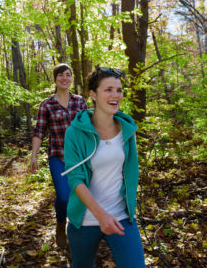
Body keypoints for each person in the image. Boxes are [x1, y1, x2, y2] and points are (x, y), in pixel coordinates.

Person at [62, 67, 145, 267]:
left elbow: (129, 172)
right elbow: (75, 179)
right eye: (108, 89)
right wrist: (101, 216)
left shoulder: (127, 129)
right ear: (93, 95)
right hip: (85, 219)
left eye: (119, 90)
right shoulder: (75, 132)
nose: (115, 95)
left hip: (121, 216)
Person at [30, 63, 87, 248]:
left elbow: (89, 128)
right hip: (57, 157)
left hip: (80, 157)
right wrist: (34, 156)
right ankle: (61, 224)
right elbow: (39, 132)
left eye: (68, 75)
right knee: (63, 196)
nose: (65, 78)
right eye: (61, 75)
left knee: (80, 196)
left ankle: (77, 232)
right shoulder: (46, 105)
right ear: (55, 79)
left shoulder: (80, 102)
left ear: (72, 78)